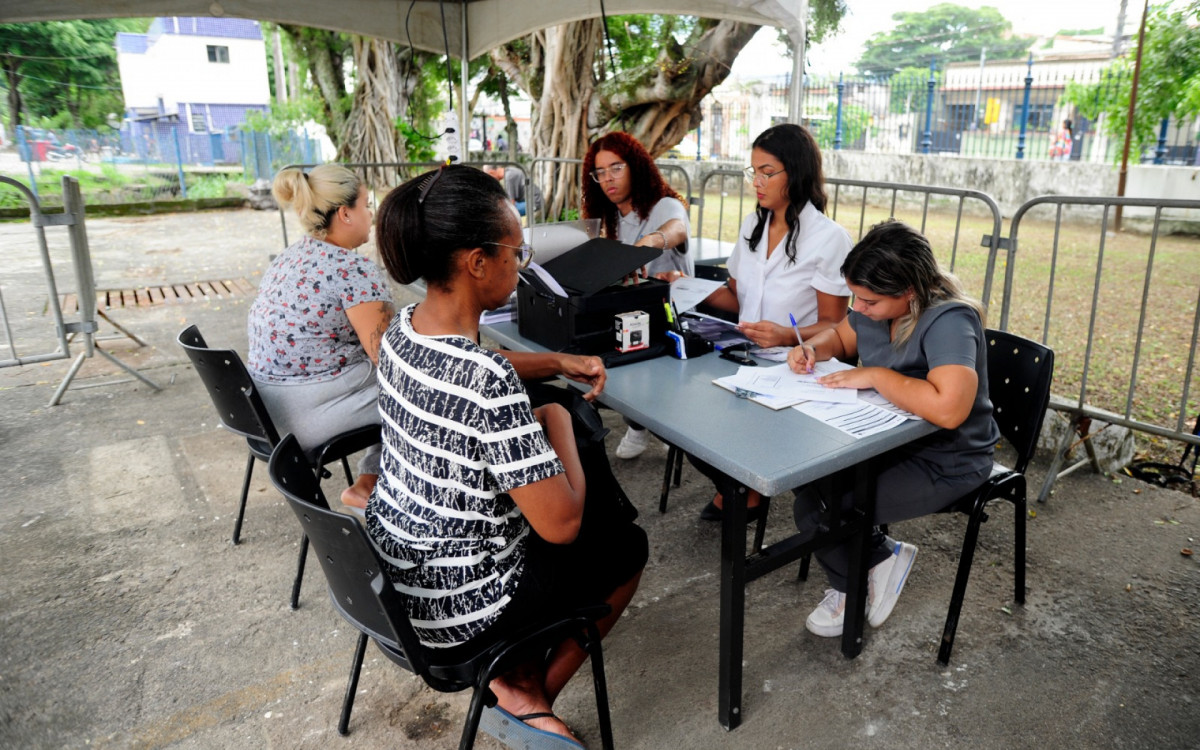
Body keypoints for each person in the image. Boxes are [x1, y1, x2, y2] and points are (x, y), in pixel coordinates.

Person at [367, 165, 646, 749]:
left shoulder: (400, 333)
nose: (522, 266)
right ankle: (526, 695)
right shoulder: (485, 382)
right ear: (476, 262)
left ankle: (517, 680)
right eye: (517, 253)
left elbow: (467, 371)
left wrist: (555, 363)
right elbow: (562, 525)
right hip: (466, 606)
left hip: (404, 583)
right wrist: (559, 420)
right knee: (623, 547)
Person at [786, 219, 1000, 638]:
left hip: (948, 459)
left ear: (909, 292)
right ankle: (883, 555)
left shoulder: (948, 321)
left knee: (817, 508)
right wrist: (812, 348)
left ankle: (852, 591)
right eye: (854, 296)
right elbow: (841, 338)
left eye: (868, 301)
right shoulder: (873, 308)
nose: (858, 308)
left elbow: (951, 409)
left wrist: (877, 377)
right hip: (884, 442)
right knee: (804, 473)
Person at [689, 123, 854, 520]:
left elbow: (836, 322)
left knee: (713, 423)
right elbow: (735, 296)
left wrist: (783, 335)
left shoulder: (828, 238)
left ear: (795, 173)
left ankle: (745, 490)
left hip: (797, 366)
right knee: (685, 422)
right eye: (753, 172)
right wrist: (685, 288)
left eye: (767, 172)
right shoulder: (753, 225)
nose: (756, 183)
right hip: (742, 358)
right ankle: (736, 486)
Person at [247, 164, 392, 509]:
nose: (371, 214)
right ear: (345, 213)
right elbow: (390, 360)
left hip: (262, 412)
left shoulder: (288, 257)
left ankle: (369, 480)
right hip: (307, 419)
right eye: (366, 205)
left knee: (384, 384)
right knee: (417, 391)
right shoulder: (354, 271)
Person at [582, 132, 693, 459]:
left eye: (615, 168)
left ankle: (656, 422)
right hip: (630, 315)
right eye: (599, 172)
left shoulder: (665, 206)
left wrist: (644, 245)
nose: (607, 179)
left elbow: (677, 229)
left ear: (637, 166)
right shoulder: (611, 215)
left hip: (671, 318)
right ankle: (638, 424)